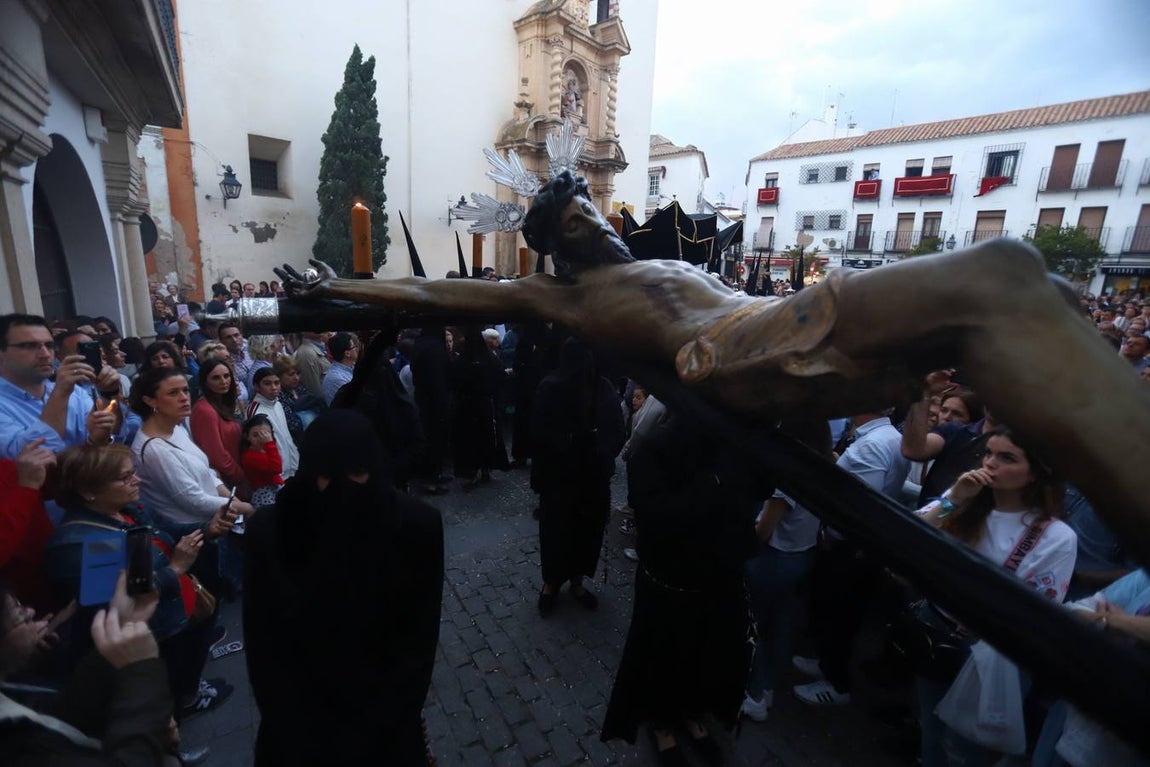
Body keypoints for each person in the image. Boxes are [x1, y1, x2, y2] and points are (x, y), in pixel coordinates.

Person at [271, 170, 1150, 555]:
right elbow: (438, 299)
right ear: (558, 252)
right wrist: (336, 288)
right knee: (999, 275)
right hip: (732, 353)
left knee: (1019, 290)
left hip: (767, 323)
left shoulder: (659, 261)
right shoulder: (563, 297)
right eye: (575, 226)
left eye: (591, 211)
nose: (596, 224)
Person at [243, 410, 444, 766]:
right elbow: (264, 647)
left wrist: (384, 723)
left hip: (386, 729)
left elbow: (418, 639)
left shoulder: (415, 526)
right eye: (328, 476)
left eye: (357, 473)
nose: (343, 488)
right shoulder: (271, 533)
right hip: (301, 730)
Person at [602, 404, 762, 764]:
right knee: (662, 657)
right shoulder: (655, 451)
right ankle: (661, 723)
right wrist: (714, 486)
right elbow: (657, 517)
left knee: (700, 656)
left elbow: (756, 488)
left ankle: (691, 713)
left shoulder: (730, 446)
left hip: (711, 579)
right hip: (668, 582)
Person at [915, 427, 1077, 767]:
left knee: (964, 750)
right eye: (988, 453)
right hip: (935, 629)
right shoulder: (965, 499)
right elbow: (913, 540)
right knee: (927, 727)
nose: (990, 464)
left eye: (1007, 458)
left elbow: (1032, 613)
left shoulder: (1056, 536)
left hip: (987, 655)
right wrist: (954, 499)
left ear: (1036, 473)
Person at [44, 444, 236, 720]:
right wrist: (175, 569)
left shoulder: (125, 509)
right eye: (124, 477)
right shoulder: (83, 542)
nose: (137, 480)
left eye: (132, 472)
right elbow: (119, 607)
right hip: (153, 637)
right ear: (88, 492)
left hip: (172, 619)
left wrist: (208, 529)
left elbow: (165, 531)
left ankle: (187, 694)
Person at [0, 572, 176, 765]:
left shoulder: (12, 689)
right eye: (19, 617)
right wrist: (142, 682)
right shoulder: (14, 743)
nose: (31, 612)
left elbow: (61, 714)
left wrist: (121, 627)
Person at [531, 339, 624, 615]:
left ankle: (577, 580)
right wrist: (567, 443)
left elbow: (616, 430)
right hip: (559, 480)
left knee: (587, 532)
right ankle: (551, 583)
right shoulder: (550, 388)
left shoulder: (601, 388)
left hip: (591, 479)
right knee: (556, 532)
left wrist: (600, 449)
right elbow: (538, 433)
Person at [0, 314, 124, 459]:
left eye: (49, 345)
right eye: (29, 346)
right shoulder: (65, 390)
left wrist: (110, 394)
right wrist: (60, 394)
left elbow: (113, 434)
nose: (45, 354)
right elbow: (29, 457)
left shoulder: (76, 393)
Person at [189, 359, 247, 493]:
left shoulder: (222, 403)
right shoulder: (205, 411)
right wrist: (241, 477)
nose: (223, 381)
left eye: (226, 376)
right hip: (228, 482)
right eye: (216, 378)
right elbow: (217, 456)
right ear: (205, 382)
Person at [246, 368, 299, 479]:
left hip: (292, 469)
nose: (274, 387)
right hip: (277, 475)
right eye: (267, 384)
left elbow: (285, 436)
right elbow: (259, 448)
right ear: (256, 386)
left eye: (276, 383)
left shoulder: (277, 404)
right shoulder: (256, 411)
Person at [240, 414, 283, 507]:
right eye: (255, 435)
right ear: (247, 436)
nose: (261, 439)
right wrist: (270, 444)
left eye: (266, 434)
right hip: (265, 497)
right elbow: (276, 468)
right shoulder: (249, 456)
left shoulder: (266, 450)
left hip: (275, 490)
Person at [321, 332, 357, 406]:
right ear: (347, 353)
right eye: (354, 346)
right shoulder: (336, 378)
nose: (357, 349)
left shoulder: (351, 367)